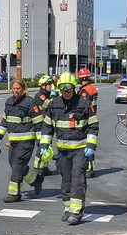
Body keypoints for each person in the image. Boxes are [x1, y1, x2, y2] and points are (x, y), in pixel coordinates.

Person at [40, 71, 99, 225]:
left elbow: (93, 125)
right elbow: (47, 127)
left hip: (80, 150)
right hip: (62, 152)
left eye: (68, 88)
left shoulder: (84, 103)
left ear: (74, 87)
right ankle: (67, 207)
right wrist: (44, 145)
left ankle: (76, 212)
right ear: (59, 88)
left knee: (77, 179)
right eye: (63, 89)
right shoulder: (54, 104)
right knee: (66, 180)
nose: (66, 92)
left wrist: (91, 145)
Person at [0, 79, 43, 202]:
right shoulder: (9, 102)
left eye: (18, 88)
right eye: (14, 88)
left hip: (26, 142)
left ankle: (14, 194)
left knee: (17, 167)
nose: (16, 91)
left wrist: (41, 143)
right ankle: (36, 180)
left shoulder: (30, 102)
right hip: (13, 141)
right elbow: (5, 121)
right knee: (16, 166)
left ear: (24, 89)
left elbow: (38, 124)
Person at [32, 75, 57, 175]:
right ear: (43, 86)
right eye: (49, 84)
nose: (51, 86)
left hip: (46, 125)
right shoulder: (40, 96)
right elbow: (50, 104)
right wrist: (54, 97)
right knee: (42, 145)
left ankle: (44, 166)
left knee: (48, 146)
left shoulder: (47, 94)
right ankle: (38, 167)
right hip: (40, 126)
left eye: (51, 84)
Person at [77, 68, 98, 178]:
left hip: (86, 119)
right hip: (92, 117)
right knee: (90, 144)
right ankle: (91, 167)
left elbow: (82, 107)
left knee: (87, 145)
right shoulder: (92, 88)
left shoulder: (85, 91)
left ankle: (90, 169)